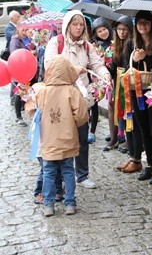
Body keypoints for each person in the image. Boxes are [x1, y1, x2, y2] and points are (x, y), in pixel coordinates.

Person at [44, 10, 111, 189]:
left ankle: (82, 174)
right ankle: (61, 178)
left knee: (82, 136)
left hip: (81, 98)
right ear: (67, 25)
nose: (79, 28)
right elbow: (51, 66)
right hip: (60, 99)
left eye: (81, 24)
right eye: (75, 24)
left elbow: (97, 64)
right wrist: (74, 69)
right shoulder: (56, 43)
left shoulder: (87, 46)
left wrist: (105, 74)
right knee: (61, 138)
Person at [36, 55, 89, 217]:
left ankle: (48, 205)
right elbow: (81, 115)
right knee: (68, 171)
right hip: (67, 137)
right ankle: (70, 203)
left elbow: (37, 110)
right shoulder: (72, 91)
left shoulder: (42, 91)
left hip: (49, 139)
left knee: (49, 172)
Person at [123, 10, 152, 184]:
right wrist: (135, 59)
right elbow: (127, 67)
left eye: (146, 22)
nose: (142, 26)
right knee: (143, 128)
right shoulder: (131, 44)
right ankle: (150, 165)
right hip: (136, 91)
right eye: (139, 22)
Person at [114, 16, 144, 173]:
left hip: (133, 86)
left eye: (124, 29)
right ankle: (133, 156)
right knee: (127, 123)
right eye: (119, 29)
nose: (121, 32)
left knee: (134, 125)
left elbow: (128, 65)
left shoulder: (135, 43)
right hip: (123, 85)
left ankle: (136, 158)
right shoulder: (121, 45)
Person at [90, 18, 114, 149]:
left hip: (114, 77)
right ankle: (113, 133)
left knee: (114, 106)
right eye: (100, 31)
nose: (103, 32)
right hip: (101, 79)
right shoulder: (95, 46)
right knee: (108, 105)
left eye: (104, 29)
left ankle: (117, 134)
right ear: (96, 33)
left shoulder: (114, 43)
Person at [9, 26, 36, 126]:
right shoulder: (15, 41)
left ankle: (26, 111)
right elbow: (15, 55)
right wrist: (29, 53)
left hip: (26, 71)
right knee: (18, 93)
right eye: (23, 30)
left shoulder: (24, 39)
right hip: (18, 71)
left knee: (26, 92)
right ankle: (18, 117)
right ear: (18, 29)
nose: (25, 32)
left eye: (26, 29)